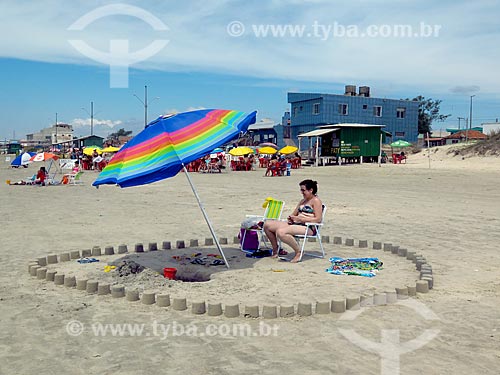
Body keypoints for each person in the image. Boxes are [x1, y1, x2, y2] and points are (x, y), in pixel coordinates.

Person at [263, 179, 323, 263]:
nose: (301, 192)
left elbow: (318, 219)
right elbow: (294, 214)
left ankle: (298, 252)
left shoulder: (316, 201)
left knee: (281, 232)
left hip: (308, 227)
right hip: (296, 223)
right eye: (301, 190)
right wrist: (291, 218)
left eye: (303, 190)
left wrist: (301, 219)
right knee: (267, 225)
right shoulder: (303, 201)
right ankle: (276, 249)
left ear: (311, 190)